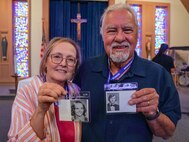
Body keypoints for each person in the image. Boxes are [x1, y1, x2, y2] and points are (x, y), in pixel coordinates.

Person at [73, 3, 181, 142]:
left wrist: (153, 114)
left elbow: (168, 132)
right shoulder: (85, 70)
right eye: (112, 30)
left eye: (127, 30)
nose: (119, 37)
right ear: (102, 35)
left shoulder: (158, 75)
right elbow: (72, 115)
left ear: (137, 33)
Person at [8, 37, 82, 142]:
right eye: (57, 57)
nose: (63, 64)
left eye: (70, 59)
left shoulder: (77, 92)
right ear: (45, 62)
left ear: (75, 66)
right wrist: (41, 110)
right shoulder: (26, 93)